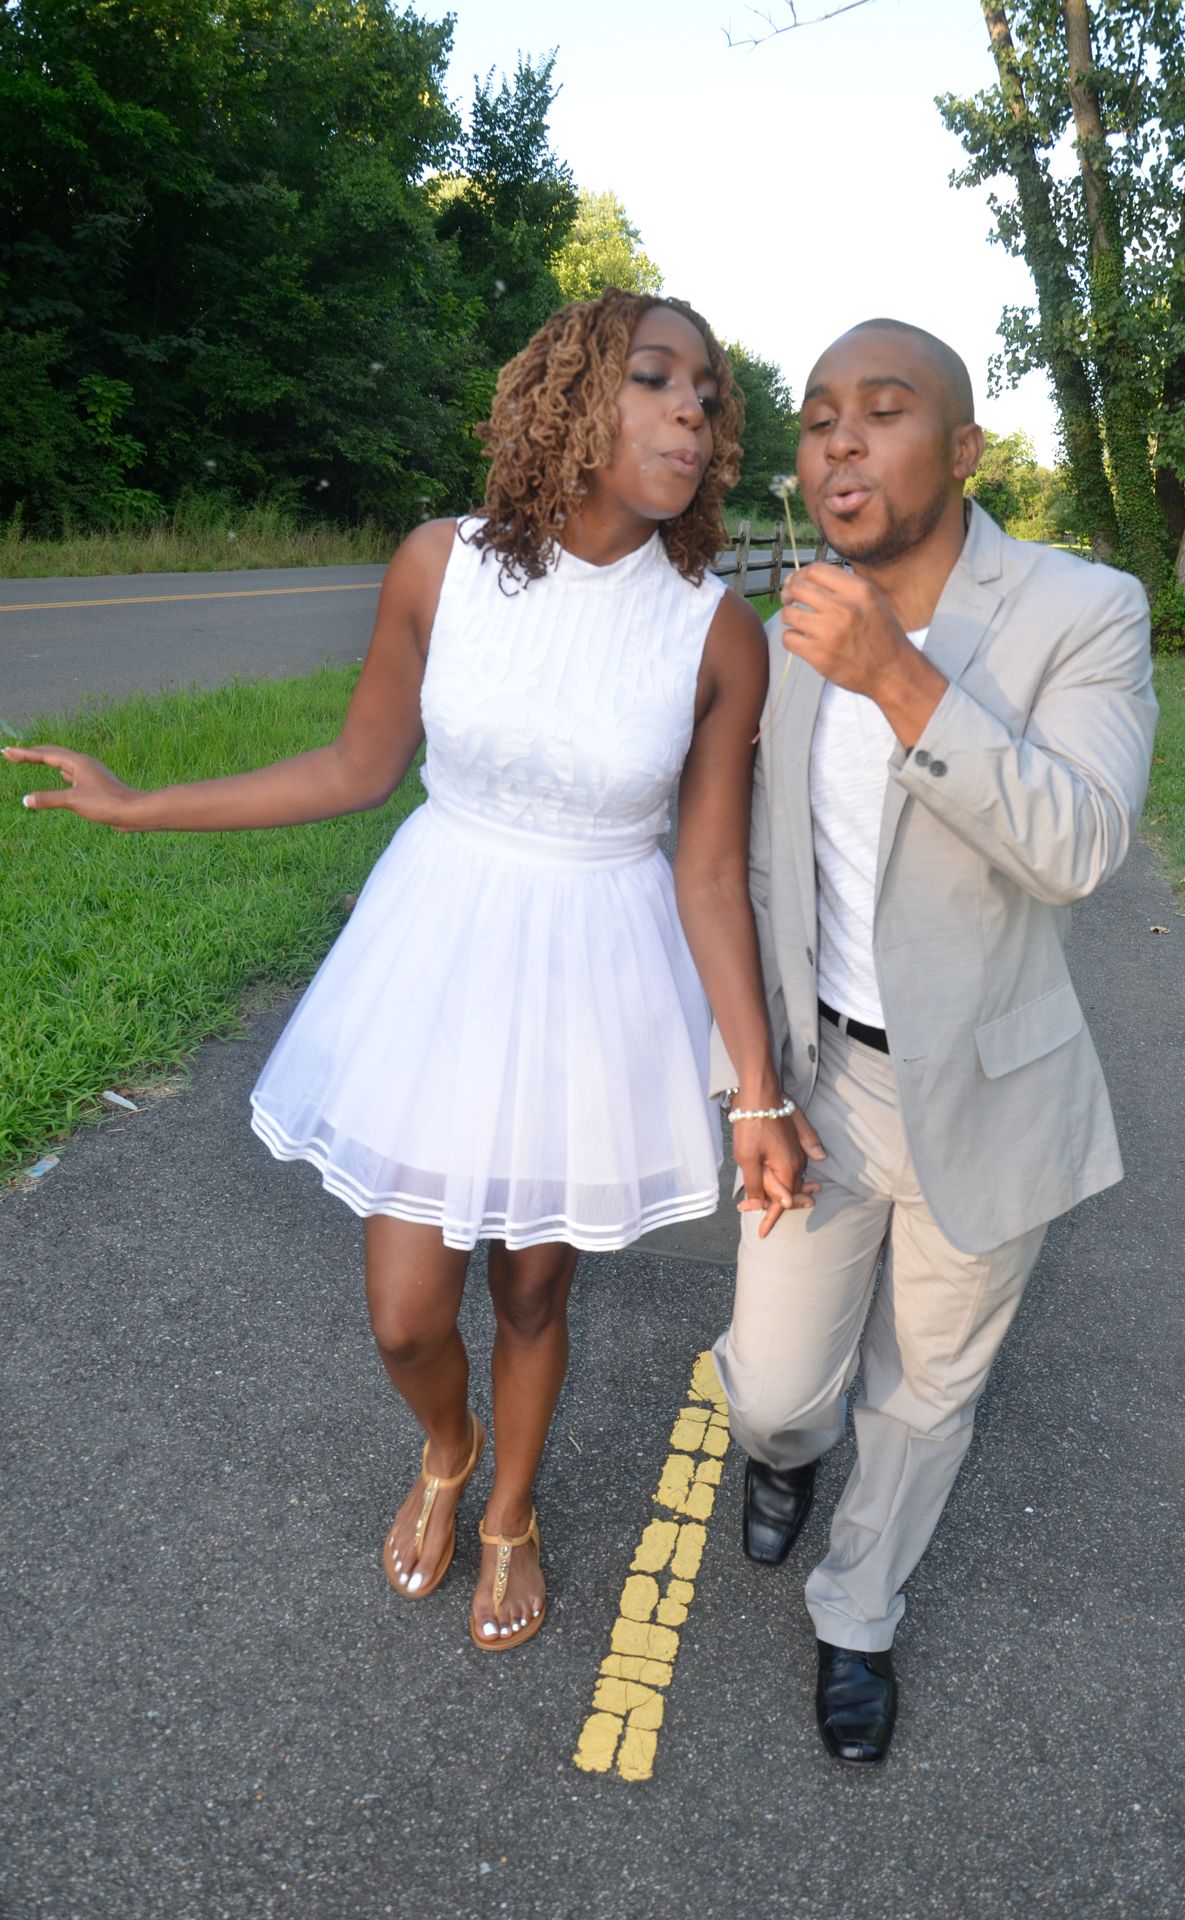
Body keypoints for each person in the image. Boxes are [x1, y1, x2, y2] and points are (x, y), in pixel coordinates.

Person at [5, 288, 808, 1653]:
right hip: (438, 955)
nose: (694, 409)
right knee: (404, 1314)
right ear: (571, 397)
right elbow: (356, 767)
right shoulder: (443, 566)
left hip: (596, 971)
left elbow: (709, 875)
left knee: (537, 1289)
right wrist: (142, 804)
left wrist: (757, 1090)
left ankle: (508, 1510)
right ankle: (447, 1441)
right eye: (659, 379)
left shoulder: (715, 636)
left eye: (711, 396)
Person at [710, 318, 1156, 1763]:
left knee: (926, 1394)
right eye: (820, 415)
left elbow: (1081, 845)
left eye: (882, 412)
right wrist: (753, 1087)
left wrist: (901, 676)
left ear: (960, 451)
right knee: (778, 1388)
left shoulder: (1083, 609)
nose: (839, 441)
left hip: (989, 1088)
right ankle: (779, 1458)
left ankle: (860, 1616)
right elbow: (766, 870)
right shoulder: (791, 623)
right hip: (820, 1079)